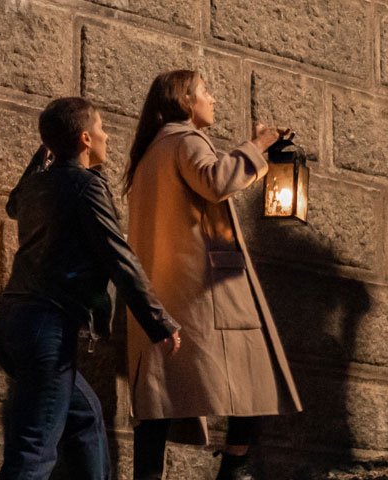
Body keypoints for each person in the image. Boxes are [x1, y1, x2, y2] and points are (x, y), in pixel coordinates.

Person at [122, 70, 300, 480]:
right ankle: (236, 464)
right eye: (205, 91)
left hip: (165, 287)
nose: (213, 98)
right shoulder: (185, 139)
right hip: (205, 288)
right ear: (186, 99)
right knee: (255, 368)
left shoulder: (150, 151)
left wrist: (256, 158)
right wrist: (257, 145)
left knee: (158, 394)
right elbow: (215, 181)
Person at [0, 97, 183, 480]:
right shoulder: (85, 187)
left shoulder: (35, 187)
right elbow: (120, 257)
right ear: (84, 138)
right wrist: (159, 322)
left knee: (85, 418)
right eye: (101, 128)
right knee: (33, 451)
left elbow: (13, 205)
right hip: (45, 327)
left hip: (14, 324)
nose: (107, 135)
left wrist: (45, 150)